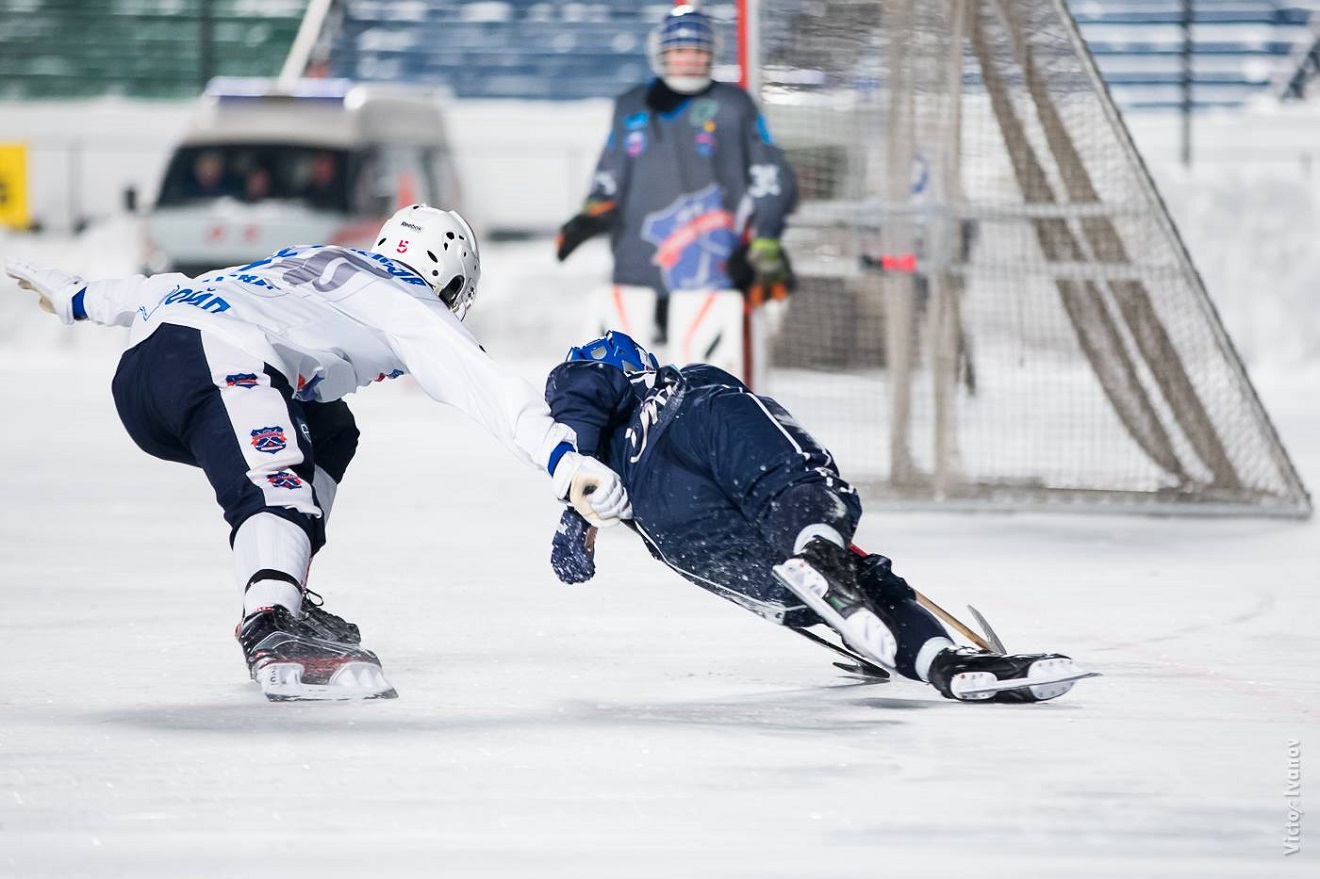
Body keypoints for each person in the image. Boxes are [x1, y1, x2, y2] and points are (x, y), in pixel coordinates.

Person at [4, 205, 631, 703]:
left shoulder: (312, 260)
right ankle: (273, 623)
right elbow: (484, 386)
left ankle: (282, 587)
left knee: (330, 429)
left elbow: (173, 287)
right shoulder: (405, 300)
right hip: (220, 362)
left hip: (147, 371)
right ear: (452, 279)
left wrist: (77, 297)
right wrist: (563, 463)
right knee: (277, 488)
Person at [543, 330, 1092, 703]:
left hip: (689, 541)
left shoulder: (601, 473)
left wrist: (576, 515)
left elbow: (575, 520)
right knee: (803, 487)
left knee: (856, 587)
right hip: (699, 432)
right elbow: (579, 388)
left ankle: (942, 665)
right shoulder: (667, 385)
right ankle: (820, 551)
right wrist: (577, 492)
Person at [555, 4, 799, 344]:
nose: (689, 59)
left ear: (712, 53)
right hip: (637, 268)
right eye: (680, 50)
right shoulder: (631, 106)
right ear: (661, 52)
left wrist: (766, 238)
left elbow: (769, 175)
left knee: (703, 374)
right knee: (632, 376)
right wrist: (590, 215)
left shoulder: (735, 105)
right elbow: (609, 173)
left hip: (716, 268)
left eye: (698, 50)